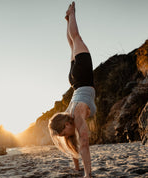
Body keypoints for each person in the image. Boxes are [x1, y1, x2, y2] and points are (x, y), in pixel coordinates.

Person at [48, 2, 96, 178]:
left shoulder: (77, 113)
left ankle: (72, 13)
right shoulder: (68, 116)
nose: (64, 136)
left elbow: (84, 143)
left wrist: (87, 175)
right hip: (75, 82)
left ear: (67, 124)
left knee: (76, 38)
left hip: (81, 77)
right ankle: (69, 18)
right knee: (73, 42)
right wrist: (77, 168)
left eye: (63, 132)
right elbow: (74, 144)